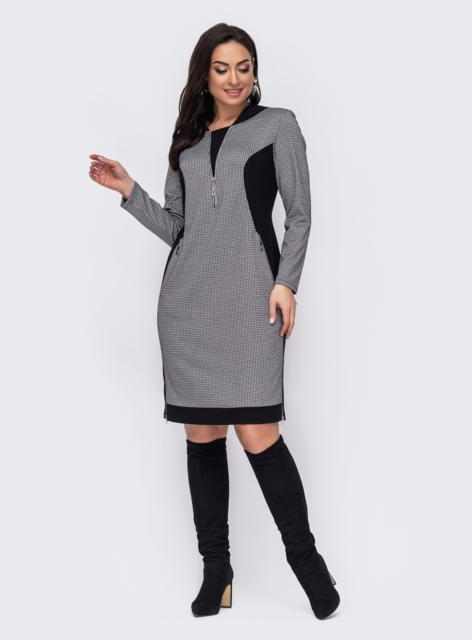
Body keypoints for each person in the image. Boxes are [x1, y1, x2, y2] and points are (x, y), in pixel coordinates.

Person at [89, 23, 340, 620]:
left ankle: (308, 564)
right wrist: (130, 190)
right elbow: (178, 228)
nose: (234, 79)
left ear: (255, 73)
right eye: (222, 68)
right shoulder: (186, 144)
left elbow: (300, 215)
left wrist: (286, 282)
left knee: (259, 435)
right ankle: (216, 571)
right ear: (205, 74)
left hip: (253, 302)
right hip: (187, 309)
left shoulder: (277, 126)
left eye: (244, 67)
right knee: (201, 436)